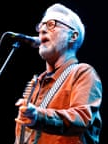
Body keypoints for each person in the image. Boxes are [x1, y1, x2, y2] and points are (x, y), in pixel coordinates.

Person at [14, 3, 103, 144]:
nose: (42, 29)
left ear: (72, 36)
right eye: (41, 25)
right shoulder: (36, 83)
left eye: (51, 24)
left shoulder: (82, 72)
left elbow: (82, 118)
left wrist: (38, 116)